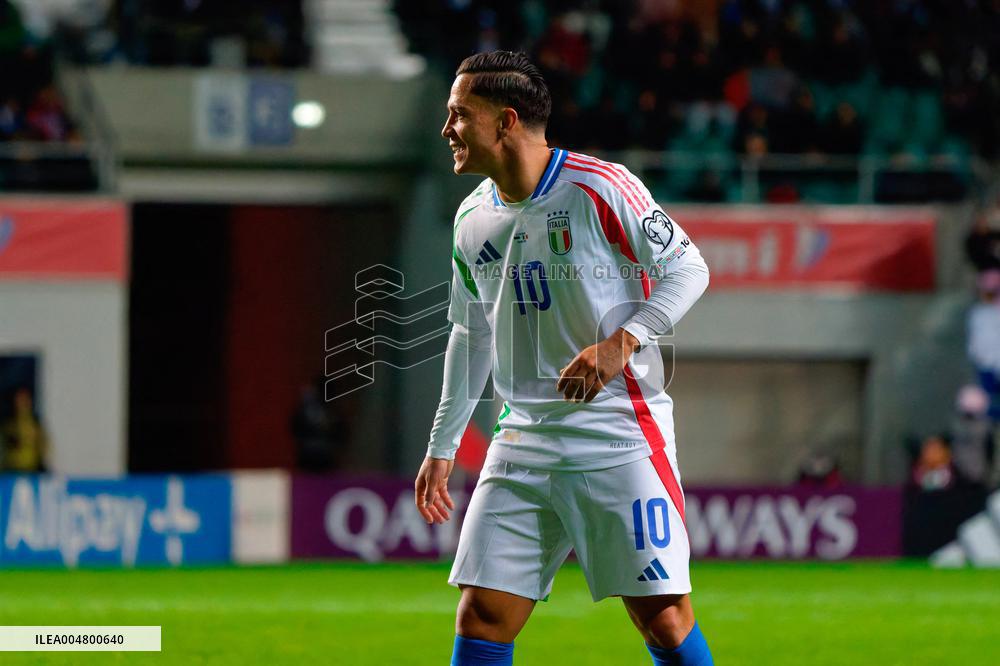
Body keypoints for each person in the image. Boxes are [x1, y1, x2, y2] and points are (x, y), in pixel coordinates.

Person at [414, 51, 713, 666]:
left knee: (663, 619)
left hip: (617, 437)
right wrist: (443, 445)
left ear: (506, 121)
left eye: (459, 114)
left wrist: (620, 343)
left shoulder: (600, 188)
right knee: (483, 615)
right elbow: (471, 333)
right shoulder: (472, 216)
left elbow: (689, 268)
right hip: (521, 441)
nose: (447, 129)